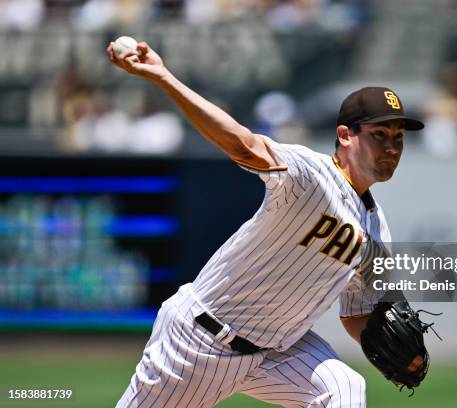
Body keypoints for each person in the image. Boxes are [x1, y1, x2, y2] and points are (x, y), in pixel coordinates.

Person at [107, 40, 424, 408]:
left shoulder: (376, 226)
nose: (391, 148)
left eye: (398, 139)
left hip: (278, 352)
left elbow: (357, 312)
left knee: (344, 388)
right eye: (380, 135)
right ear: (345, 136)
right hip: (200, 342)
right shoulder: (310, 175)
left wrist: (392, 349)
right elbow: (243, 145)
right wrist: (164, 78)